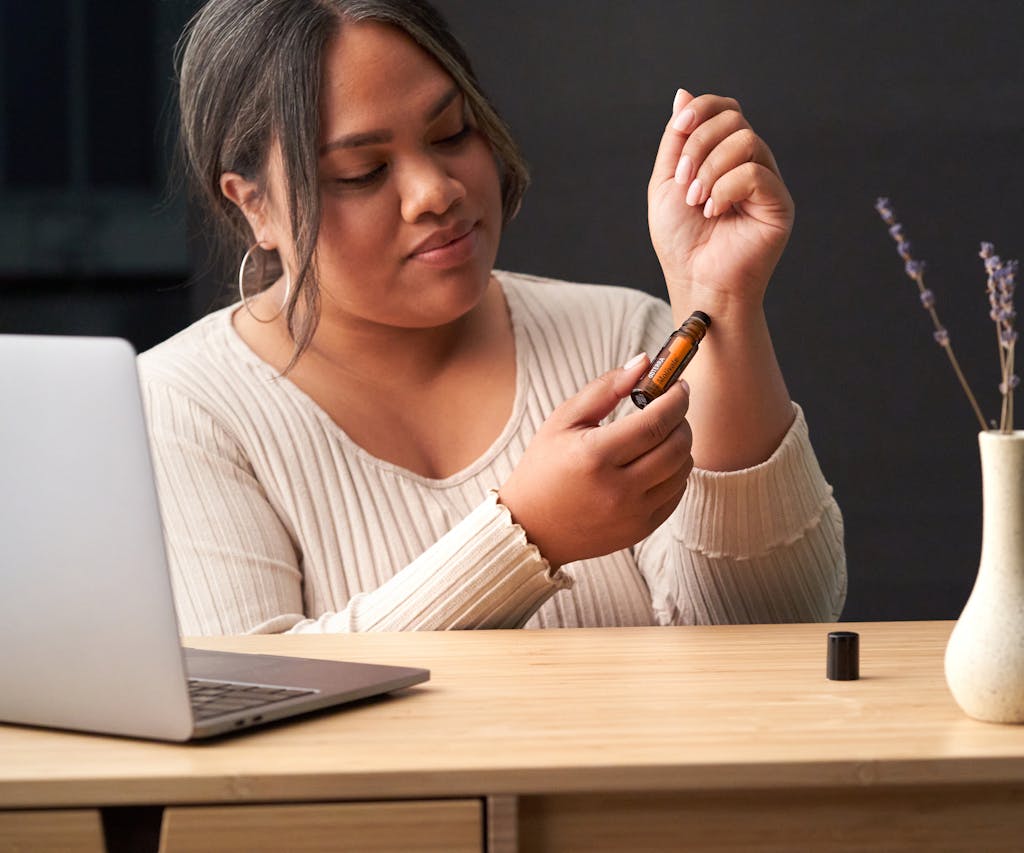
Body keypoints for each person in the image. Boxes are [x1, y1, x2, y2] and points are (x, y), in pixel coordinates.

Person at [140, 0, 846, 635]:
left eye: (451, 133)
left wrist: (718, 302)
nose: (436, 191)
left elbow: (772, 629)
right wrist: (526, 535)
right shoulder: (182, 405)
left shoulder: (622, 336)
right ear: (253, 204)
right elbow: (255, 696)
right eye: (362, 172)